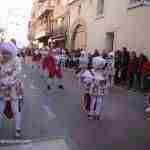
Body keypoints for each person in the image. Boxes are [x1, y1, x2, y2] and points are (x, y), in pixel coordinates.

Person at [0, 42, 22, 137]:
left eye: (7, 53)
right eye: (3, 53)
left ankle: (18, 129)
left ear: (11, 53)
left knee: (15, 110)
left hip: (13, 89)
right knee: (0, 110)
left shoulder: (16, 60)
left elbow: (18, 72)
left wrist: (9, 80)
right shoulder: (1, 60)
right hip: (2, 89)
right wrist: (3, 81)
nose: (5, 55)